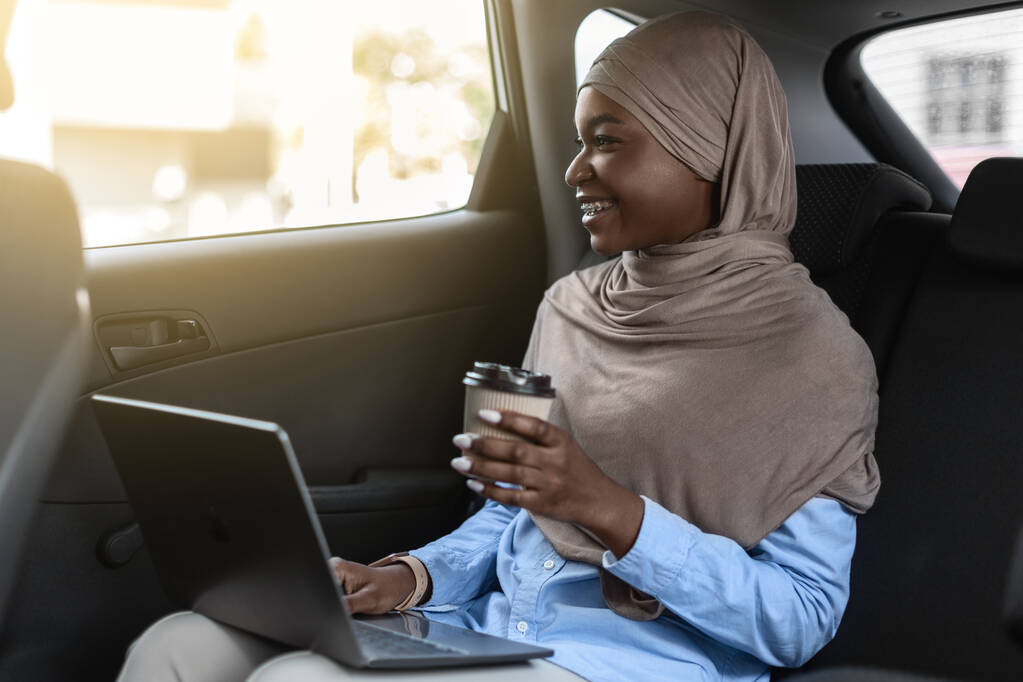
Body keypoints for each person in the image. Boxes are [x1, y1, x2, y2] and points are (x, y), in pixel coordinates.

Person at [118, 10, 879, 682]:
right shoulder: (571, 306)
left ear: (707, 148)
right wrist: (411, 579)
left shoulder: (812, 358)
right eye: (579, 143)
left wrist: (613, 510)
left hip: (633, 662)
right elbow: (514, 518)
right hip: (486, 631)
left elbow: (799, 619)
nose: (575, 170)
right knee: (182, 645)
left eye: (607, 142)